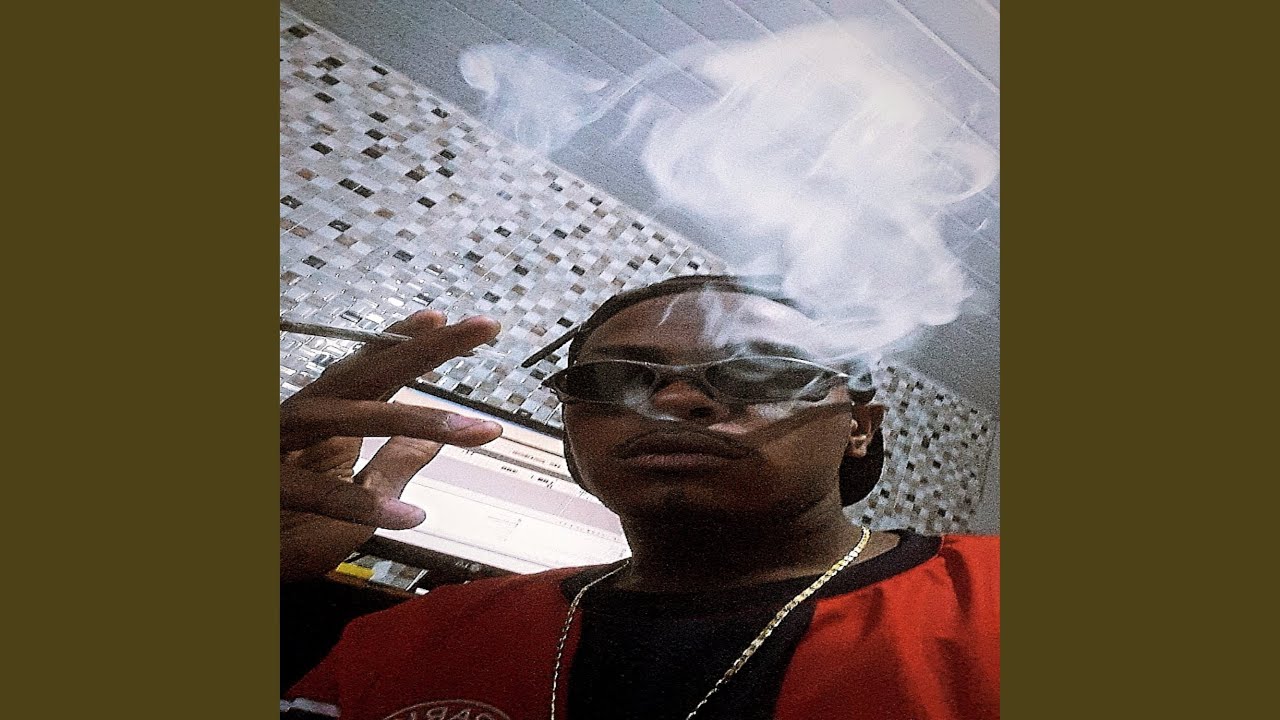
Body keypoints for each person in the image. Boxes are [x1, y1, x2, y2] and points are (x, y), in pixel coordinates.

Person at [280, 275, 999, 720]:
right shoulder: (407, 641)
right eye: (615, 379)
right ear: (571, 428)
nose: (676, 400)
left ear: (858, 429)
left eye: (759, 372)